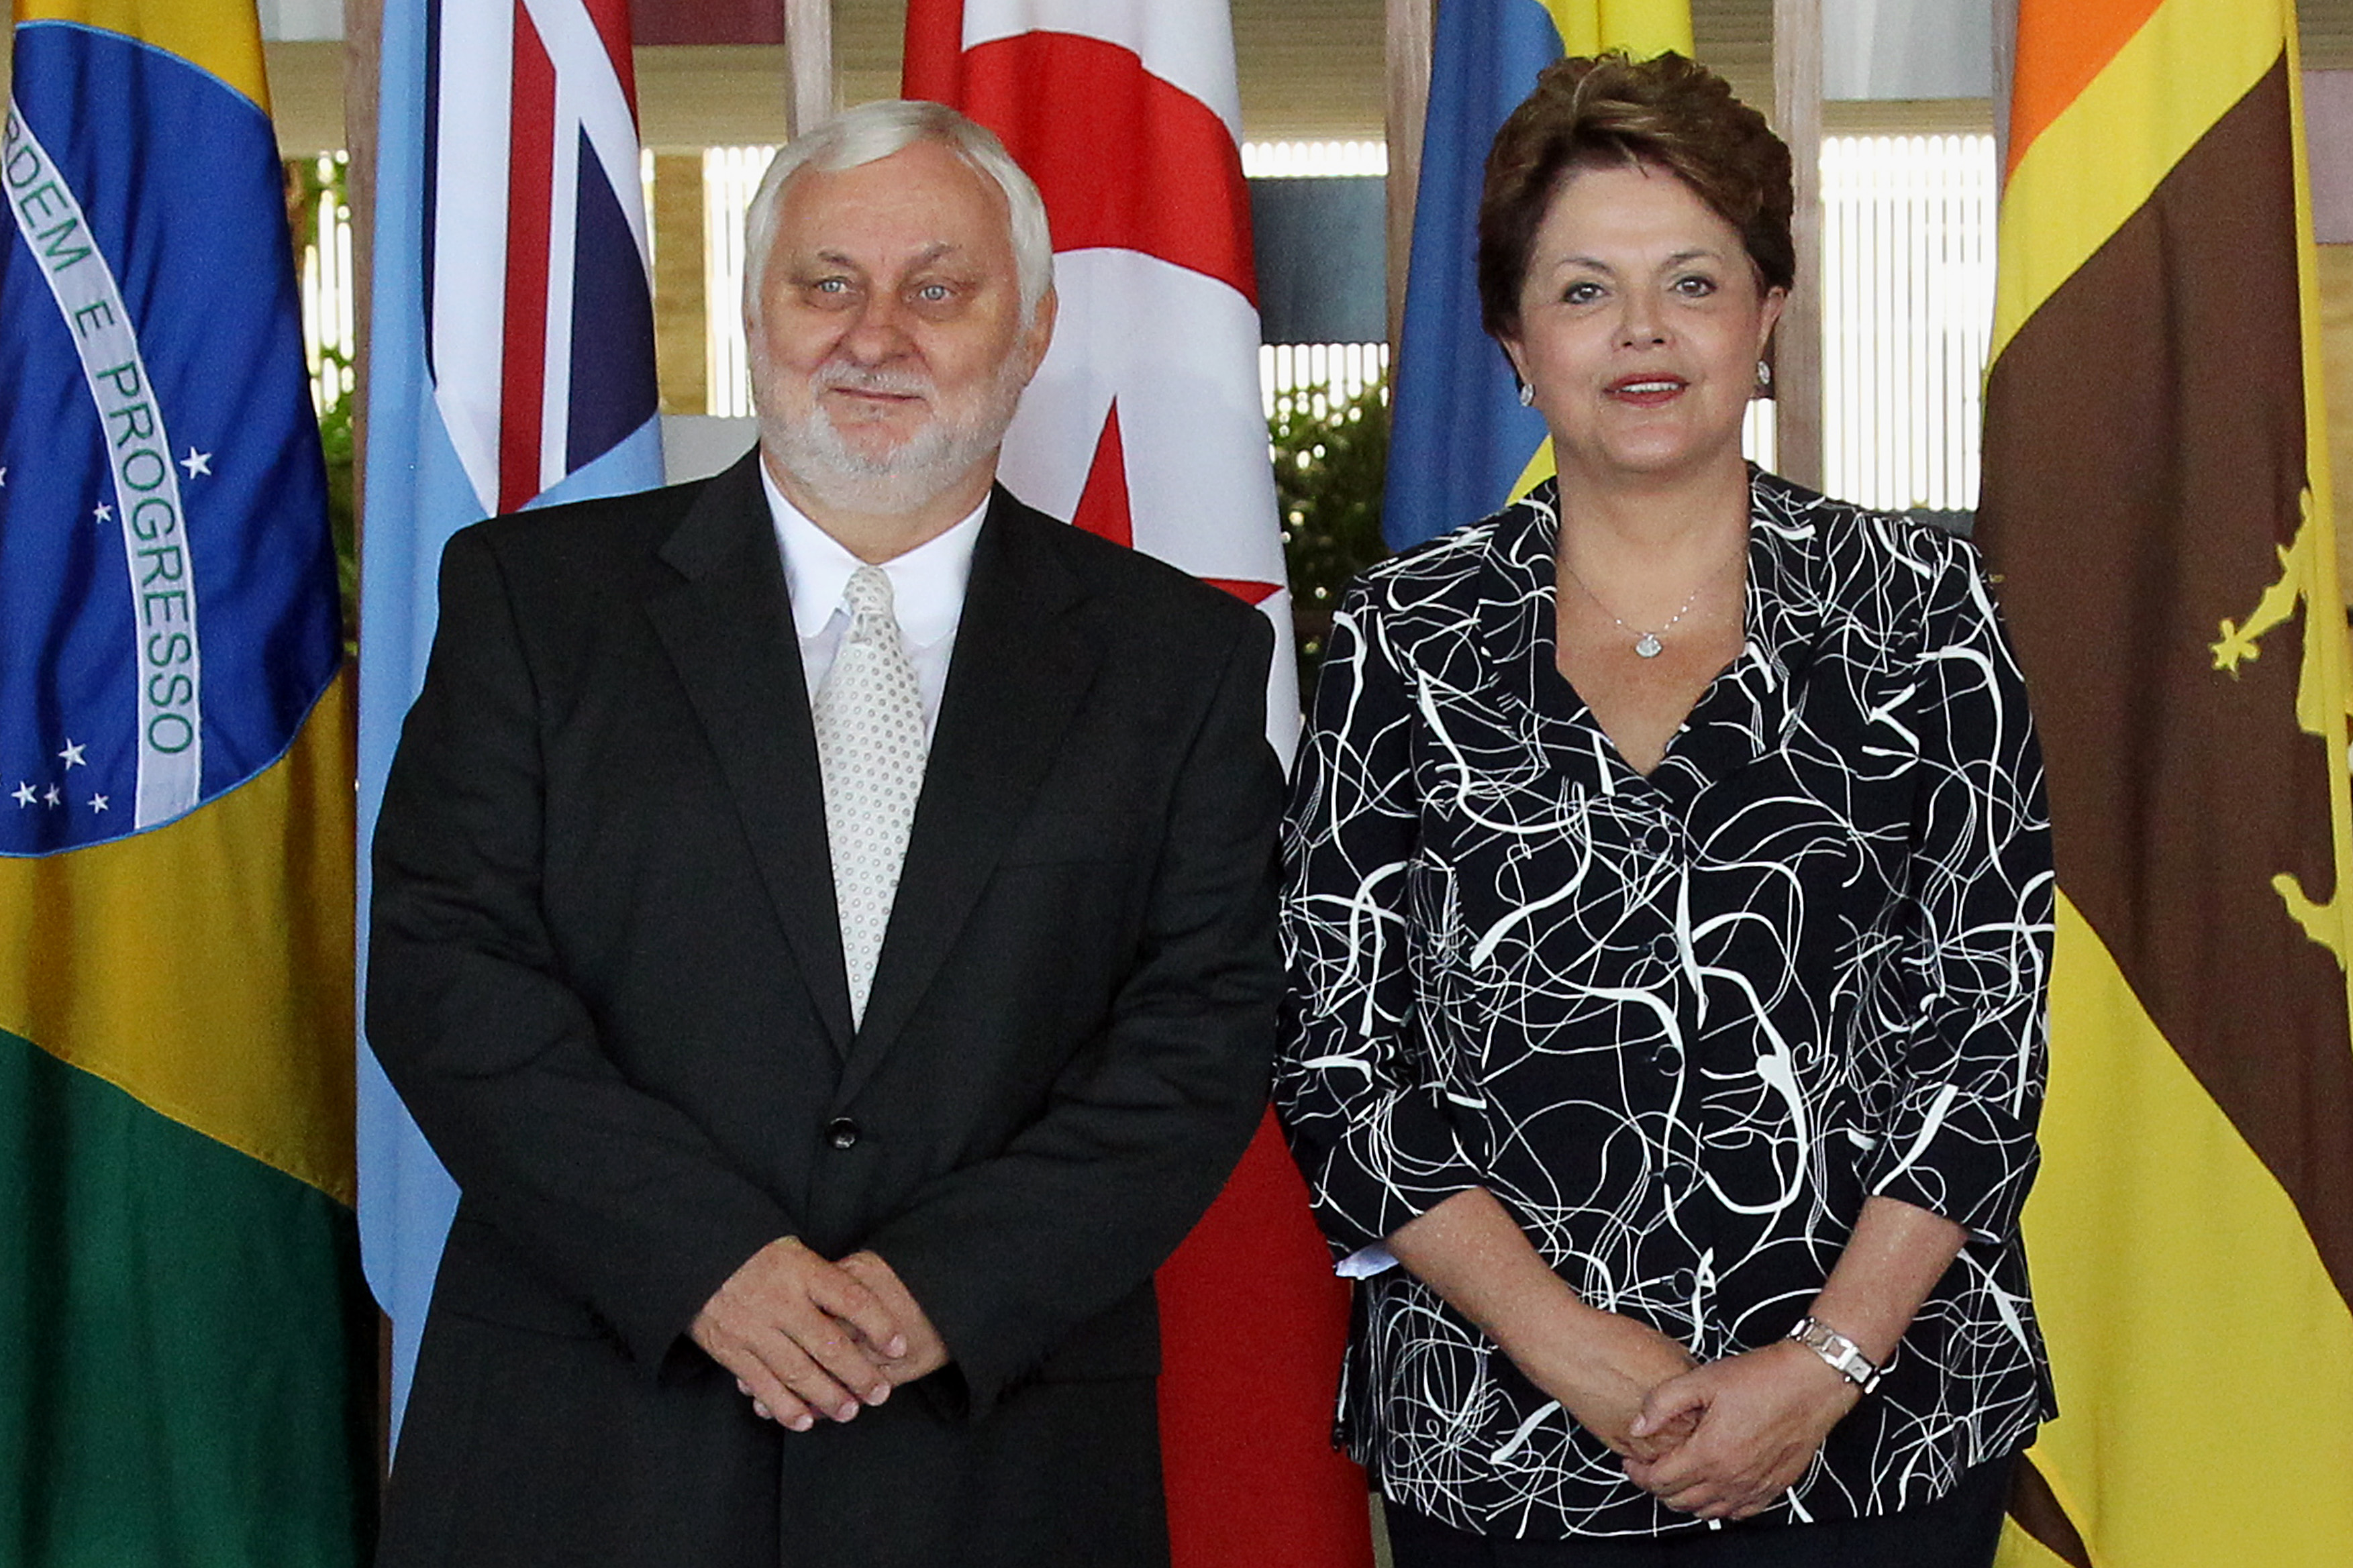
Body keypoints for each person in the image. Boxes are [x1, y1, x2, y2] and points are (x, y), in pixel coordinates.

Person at [367, 99, 1283, 1568]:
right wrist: (707, 1264)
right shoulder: (535, 603)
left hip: (992, 1455)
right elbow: (445, 972)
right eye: (827, 283)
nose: (874, 336)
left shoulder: (1176, 661)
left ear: (1032, 331)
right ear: (754, 314)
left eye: (938, 288)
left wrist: (948, 1288)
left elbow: (1202, 1027)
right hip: (589, 1442)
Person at [1275, 52, 2052, 1566]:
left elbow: (1984, 1032)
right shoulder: (1399, 636)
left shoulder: (1923, 611)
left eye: (1691, 281)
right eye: (1583, 291)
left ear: (1766, 314)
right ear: (1513, 340)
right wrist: (1576, 1355)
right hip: (1501, 1439)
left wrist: (1820, 1365)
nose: (1641, 331)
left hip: (1875, 1436)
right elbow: (1338, 1057)